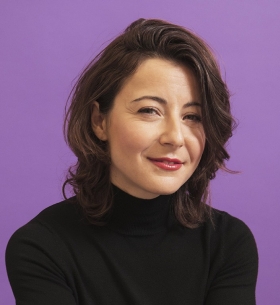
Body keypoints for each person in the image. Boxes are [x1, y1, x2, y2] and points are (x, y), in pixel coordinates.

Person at [6, 18, 258, 305]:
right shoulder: (41, 247)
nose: (175, 137)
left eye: (192, 117)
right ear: (99, 121)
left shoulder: (227, 244)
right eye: (150, 110)